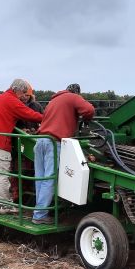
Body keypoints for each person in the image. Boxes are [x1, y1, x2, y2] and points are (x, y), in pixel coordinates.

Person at [32, 83, 95, 224]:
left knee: (40, 179)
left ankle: (39, 211)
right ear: (77, 93)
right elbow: (89, 109)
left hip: (40, 140)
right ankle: (39, 216)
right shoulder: (73, 97)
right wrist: (86, 118)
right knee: (50, 179)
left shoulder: (53, 100)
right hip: (53, 143)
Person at [0, 78, 43, 214]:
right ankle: (5, 205)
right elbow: (30, 114)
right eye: (24, 92)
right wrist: (49, 118)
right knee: (2, 174)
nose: (24, 96)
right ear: (17, 90)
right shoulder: (12, 100)